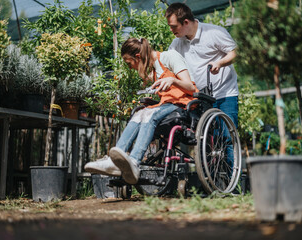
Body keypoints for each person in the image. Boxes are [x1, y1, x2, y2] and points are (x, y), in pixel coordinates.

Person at [85, 37, 198, 184]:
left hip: (183, 104)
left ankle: (134, 161)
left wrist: (173, 80)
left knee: (149, 113)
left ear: (137, 57)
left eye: (129, 63)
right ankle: (115, 161)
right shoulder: (154, 68)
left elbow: (190, 87)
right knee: (140, 113)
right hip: (167, 105)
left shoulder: (170, 56)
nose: (130, 67)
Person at [165, 2, 238, 128]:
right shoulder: (177, 43)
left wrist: (220, 63)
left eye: (174, 26)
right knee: (205, 141)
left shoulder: (214, 32)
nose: (171, 30)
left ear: (186, 22)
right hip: (199, 98)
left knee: (226, 138)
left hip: (224, 93)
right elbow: (166, 62)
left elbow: (235, 53)